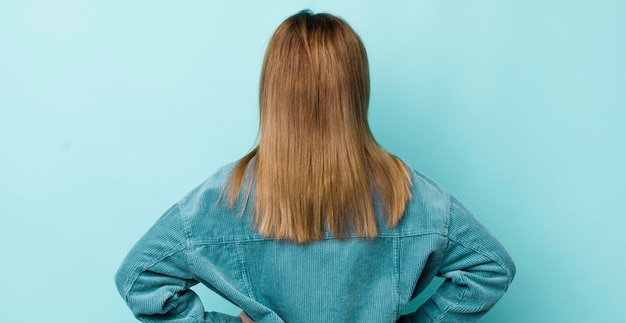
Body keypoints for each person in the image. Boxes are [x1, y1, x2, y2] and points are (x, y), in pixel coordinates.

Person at [114, 10, 516, 323]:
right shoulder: (410, 196)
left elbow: (138, 280)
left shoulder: (223, 199)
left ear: (272, 91)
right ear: (356, 89)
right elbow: (491, 268)